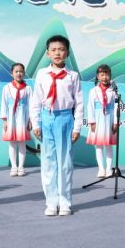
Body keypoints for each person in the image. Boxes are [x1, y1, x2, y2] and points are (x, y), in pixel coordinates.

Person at [31, 35, 83, 216]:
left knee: (65, 163)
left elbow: (79, 103)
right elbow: (36, 101)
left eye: (61, 49)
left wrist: (77, 127)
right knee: (48, 162)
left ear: (67, 53)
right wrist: (36, 123)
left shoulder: (73, 76)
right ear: (47, 53)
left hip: (65, 119)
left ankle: (65, 202)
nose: (57, 53)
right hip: (47, 119)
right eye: (53, 50)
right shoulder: (42, 74)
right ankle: (51, 202)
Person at [86, 64, 118, 178]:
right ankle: (101, 169)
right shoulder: (93, 91)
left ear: (110, 76)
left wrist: (116, 122)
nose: (105, 77)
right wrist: (92, 122)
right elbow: (90, 107)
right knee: (98, 145)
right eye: (102, 75)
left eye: (107, 75)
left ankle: (109, 169)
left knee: (109, 145)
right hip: (98, 120)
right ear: (97, 76)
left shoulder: (113, 91)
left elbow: (116, 107)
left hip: (109, 120)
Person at [1, 63, 32, 177]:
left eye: (21, 71)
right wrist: (5, 120)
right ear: (12, 73)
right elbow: (4, 104)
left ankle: (21, 167)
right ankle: (14, 167)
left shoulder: (28, 88)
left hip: (23, 117)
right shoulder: (7, 87)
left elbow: (32, 105)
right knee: (12, 142)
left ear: (24, 73)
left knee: (22, 142)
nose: (19, 73)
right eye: (16, 71)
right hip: (11, 117)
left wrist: (31, 120)